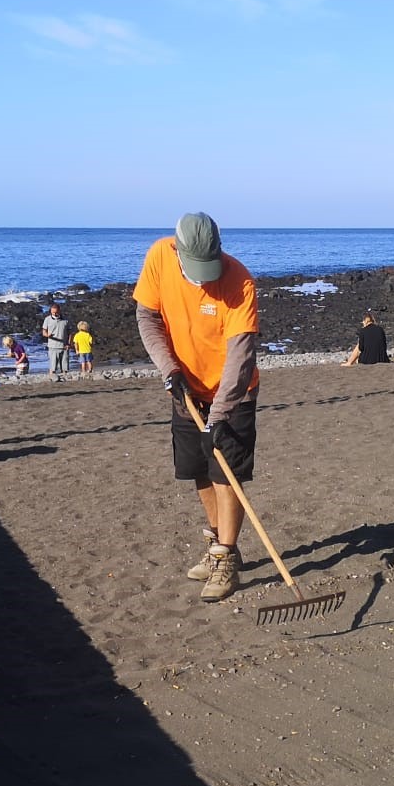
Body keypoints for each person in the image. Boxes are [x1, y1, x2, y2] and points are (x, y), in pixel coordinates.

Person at [134, 212, 260, 603]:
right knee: (199, 471)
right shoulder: (159, 256)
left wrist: (220, 415)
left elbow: (241, 358)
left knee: (226, 475)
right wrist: (169, 369)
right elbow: (147, 316)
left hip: (233, 392)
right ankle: (221, 544)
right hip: (185, 388)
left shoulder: (240, 281)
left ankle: (225, 558)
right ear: (178, 251)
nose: (205, 279)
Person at [41, 303, 72, 378]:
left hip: (64, 346)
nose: (54, 313)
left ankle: (65, 379)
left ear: (59, 311)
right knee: (53, 366)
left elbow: (70, 333)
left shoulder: (66, 320)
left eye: (56, 312)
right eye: (52, 312)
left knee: (65, 367)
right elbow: (44, 332)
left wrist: (69, 343)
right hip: (52, 346)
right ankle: (52, 378)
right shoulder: (47, 319)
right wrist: (47, 335)